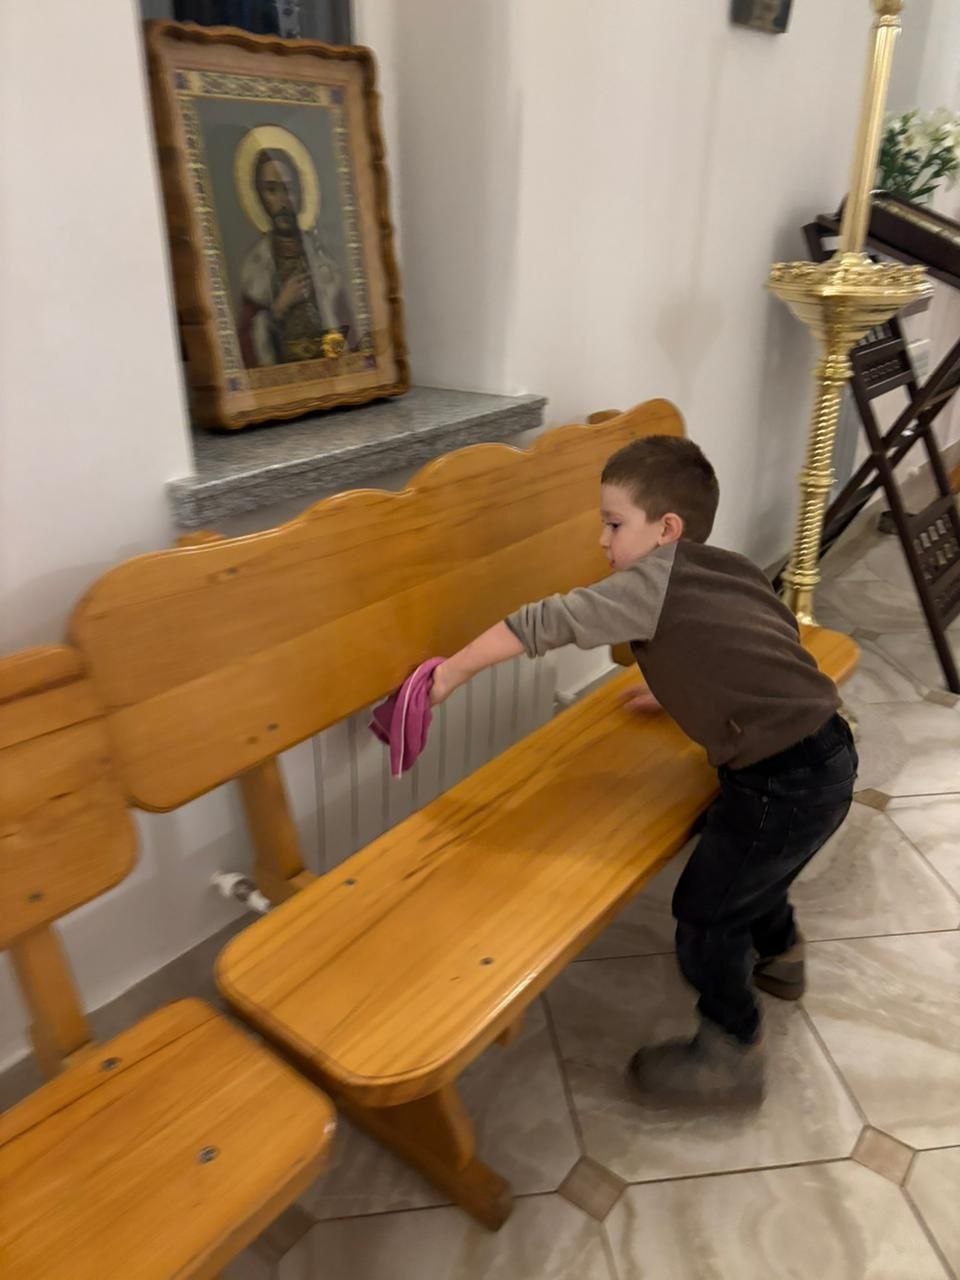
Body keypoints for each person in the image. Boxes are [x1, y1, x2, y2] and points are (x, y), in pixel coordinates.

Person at [429, 435, 858, 1106]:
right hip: (824, 751)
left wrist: (452, 670)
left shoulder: (648, 583)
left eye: (613, 523)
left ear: (666, 530)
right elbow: (762, 634)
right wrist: (682, 689)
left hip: (780, 778)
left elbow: (546, 621)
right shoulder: (727, 566)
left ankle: (732, 1050)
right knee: (755, 873)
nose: (601, 540)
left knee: (706, 914)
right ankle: (783, 957)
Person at [238, 148, 358, 367]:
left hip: (327, 369)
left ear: (300, 194)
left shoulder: (323, 261)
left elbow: (344, 325)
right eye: (272, 190)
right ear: (260, 197)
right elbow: (247, 344)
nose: (283, 201)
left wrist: (334, 366)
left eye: (288, 189)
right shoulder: (256, 267)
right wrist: (279, 308)